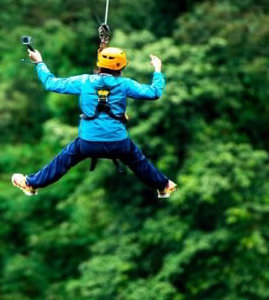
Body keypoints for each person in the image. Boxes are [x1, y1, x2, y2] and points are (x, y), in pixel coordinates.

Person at [11, 46, 177, 198]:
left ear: (99, 64)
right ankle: (163, 186)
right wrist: (157, 70)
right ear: (122, 67)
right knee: (139, 162)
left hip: (88, 143)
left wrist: (39, 62)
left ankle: (31, 184)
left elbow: (51, 83)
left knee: (63, 160)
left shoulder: (84, 82)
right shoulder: (125, 84)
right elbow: (154, 92)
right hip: (118, 142)